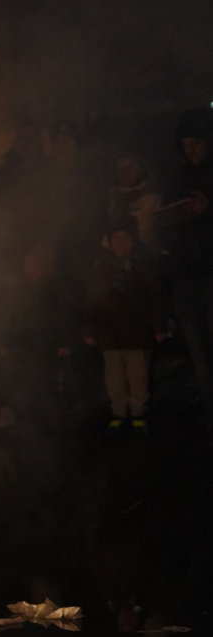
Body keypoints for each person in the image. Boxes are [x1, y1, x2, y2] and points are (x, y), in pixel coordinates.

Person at [82, 220, 166, 433]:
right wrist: (89, 330)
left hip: (138, 334)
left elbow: (155, 299)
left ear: (133, 241)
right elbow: (91, 303)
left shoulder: (144, 266)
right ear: (109, 243)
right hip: (110, 335)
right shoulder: (100, 270)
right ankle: (118, 413)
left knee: (139, 377)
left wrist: (159, 327)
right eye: (116, 239)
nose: (121, 244)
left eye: (125, 238)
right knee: (114, 379)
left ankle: (138, 413)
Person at [159, 107, 213, 432]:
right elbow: (168, 218)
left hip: (211, 275)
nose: (191, 149)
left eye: (196, 142)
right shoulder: (179, 177)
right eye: (186, 144)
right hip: (186, 277)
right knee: (201, 357)